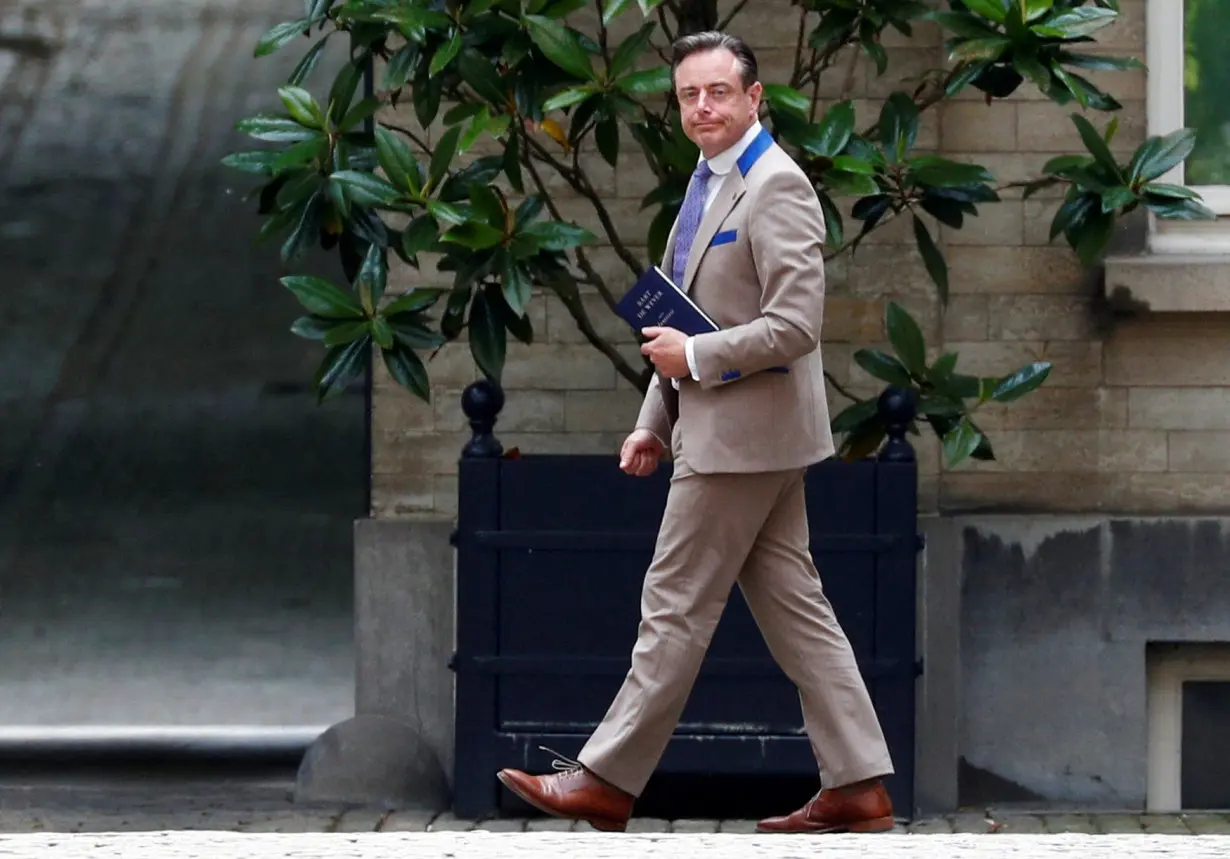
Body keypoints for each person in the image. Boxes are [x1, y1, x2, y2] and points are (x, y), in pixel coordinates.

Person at [496, 30, 896, 835]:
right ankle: (858, 784)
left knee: (673, 604)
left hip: (742, 438)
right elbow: (680, 320)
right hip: (739, 432)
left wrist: (697, 360)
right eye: (688, 95)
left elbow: (795, 324)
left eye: (718, 92)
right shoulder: (711, 182)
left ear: (755, 99)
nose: (702, 107)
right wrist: (654, 419)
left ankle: (605, 778)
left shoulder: (776, 185)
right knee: (798, 611)